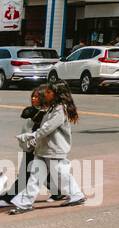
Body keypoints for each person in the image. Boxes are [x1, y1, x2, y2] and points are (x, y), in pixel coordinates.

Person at [9, 82, 87, 214]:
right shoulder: (52, 108)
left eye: (49, 92)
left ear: (56, 94)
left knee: (61, 174)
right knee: (35, 177)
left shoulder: (61, 109)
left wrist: (31, 136)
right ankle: (24, 203)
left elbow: (47, 128)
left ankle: (77, 195)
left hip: (54, 150)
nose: (46, 94)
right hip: (43, 149)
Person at [0, 88, 45, 207]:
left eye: (37, 97)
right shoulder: (33, 111)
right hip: (30, 147)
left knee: (26, 174)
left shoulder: (45, 114)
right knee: (45, 172)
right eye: (33, 97)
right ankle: (60, 192)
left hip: (37, 148)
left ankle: (8, 198)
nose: (34, 99)